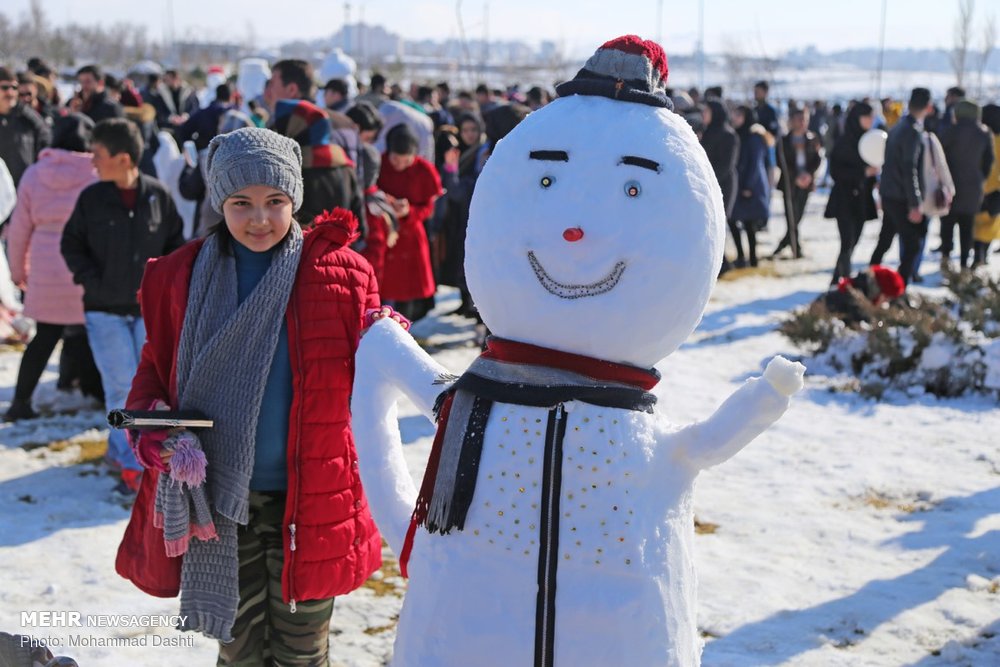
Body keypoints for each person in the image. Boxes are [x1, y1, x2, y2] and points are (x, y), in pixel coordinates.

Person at [115, 127, 382, 663]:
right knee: (237, 652)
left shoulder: (341, 274)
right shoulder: (179, 276)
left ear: (295, 200)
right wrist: (156, 435)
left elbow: (380, 360)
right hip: (216, 500)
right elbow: (154, 373)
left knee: (302, 652)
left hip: (309, 499)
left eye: (274, 202)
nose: (258, 219)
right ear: (220, 201)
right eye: (241, 203)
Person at [60, 118, 185, 495]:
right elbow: (71, 245)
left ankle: (123, 451)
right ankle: (134, 463)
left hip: (146, 312)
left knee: (147, 388)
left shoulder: (157, 195)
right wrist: (92, 281)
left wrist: (162, 290)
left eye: (98, 154)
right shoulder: (91, 198)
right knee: (119, 387)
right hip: (103, 310)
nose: (92, 162)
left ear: (123, 157)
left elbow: (175, 247)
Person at [5, 113, 103, 421]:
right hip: (82, 265)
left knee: (44, 336)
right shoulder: (96, 174)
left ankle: (21, 401)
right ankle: (95, 393)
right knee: (87, 333)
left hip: (46, 266)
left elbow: (19, 228)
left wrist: (17, 271)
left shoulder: (35, 173)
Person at [265, 59, 366, 231]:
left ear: (292, 89)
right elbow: (361, 180)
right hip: (344, 244)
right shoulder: (345, 122)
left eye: (272, 83)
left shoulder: (285, 138)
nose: (267, 90)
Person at [376, 123, 443, 322]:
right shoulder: (379, 164)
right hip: (385, 234)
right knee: (383, 288)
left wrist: (409, 210)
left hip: (411, 234)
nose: (399, 164)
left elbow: (429, 207)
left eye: (406, 160)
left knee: (409, 290)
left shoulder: (424, 170)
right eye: (395, 159)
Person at [870, 88, 933, 286]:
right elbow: (909, 167)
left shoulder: (898, 127)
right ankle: (898, 286)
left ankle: (870, 279)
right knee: (913, 244)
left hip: (890, 193)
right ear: (928, 107)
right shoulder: (912, 131)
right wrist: (915, 203)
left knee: (885, 240)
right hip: (900, 197)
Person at [825, 102, 879, 284]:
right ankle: (846, 281)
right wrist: (862, 173)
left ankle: (836, 278)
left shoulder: (871, 140)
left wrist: (874, 179)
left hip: (862, 198)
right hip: (844, 198)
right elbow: (835, 171)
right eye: (867, 117)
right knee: (847, 241)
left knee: (854, 240)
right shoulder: (844, 141)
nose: (871, 121)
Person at [938, 99, 994, 270]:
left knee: (947, 225)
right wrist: (980, 178)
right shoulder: (984, 133)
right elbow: (989, 161)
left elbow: (940, 158)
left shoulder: (950, 131)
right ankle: (963, 264)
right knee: (967, 227)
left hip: (949, 186)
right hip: (973, 188)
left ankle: (946, 259)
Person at [773, 103, 823, 258]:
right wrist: (795, 177)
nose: (802, 122)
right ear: (792, 120)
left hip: (806, 182)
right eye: (799, 119)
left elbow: (817, 159)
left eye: (805, 119)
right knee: (790, 216)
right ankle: (796, 249)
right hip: (789, 183)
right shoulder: (784, 140)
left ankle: (786, 244)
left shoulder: (812, 138)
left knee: (798, 216)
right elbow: (780, 162)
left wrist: (808, 174)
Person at [729, 106, 772, 267]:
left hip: (751, 186)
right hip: (739, 184)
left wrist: (748, 186)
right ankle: (741, 255)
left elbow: (756, 164)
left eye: (739, 115)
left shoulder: (754, 137)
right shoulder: (738, 134)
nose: (735, 118)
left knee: (750, 224)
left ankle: (753, 258)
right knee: (733, 220)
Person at [700, 99, 740, 269]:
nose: (704, 114)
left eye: (707, 111)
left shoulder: (728, 135)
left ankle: (723, 263)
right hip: (707, 183)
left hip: (722, 185)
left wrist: (709, 180)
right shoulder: (707, 132)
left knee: (718, 223)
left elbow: (726, 165)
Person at [0, 67, 50, 190]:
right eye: (5, 88)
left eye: (14, 88)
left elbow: (46, 148)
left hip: (24, 189)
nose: (10, 93)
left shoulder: (30, 118)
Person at [973, 104, 1000, 265]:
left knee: (978, 223)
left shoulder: (980, 136)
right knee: (991, 223)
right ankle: (982, 255)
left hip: (979, 186)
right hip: (997, 189)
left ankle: (978, 256)